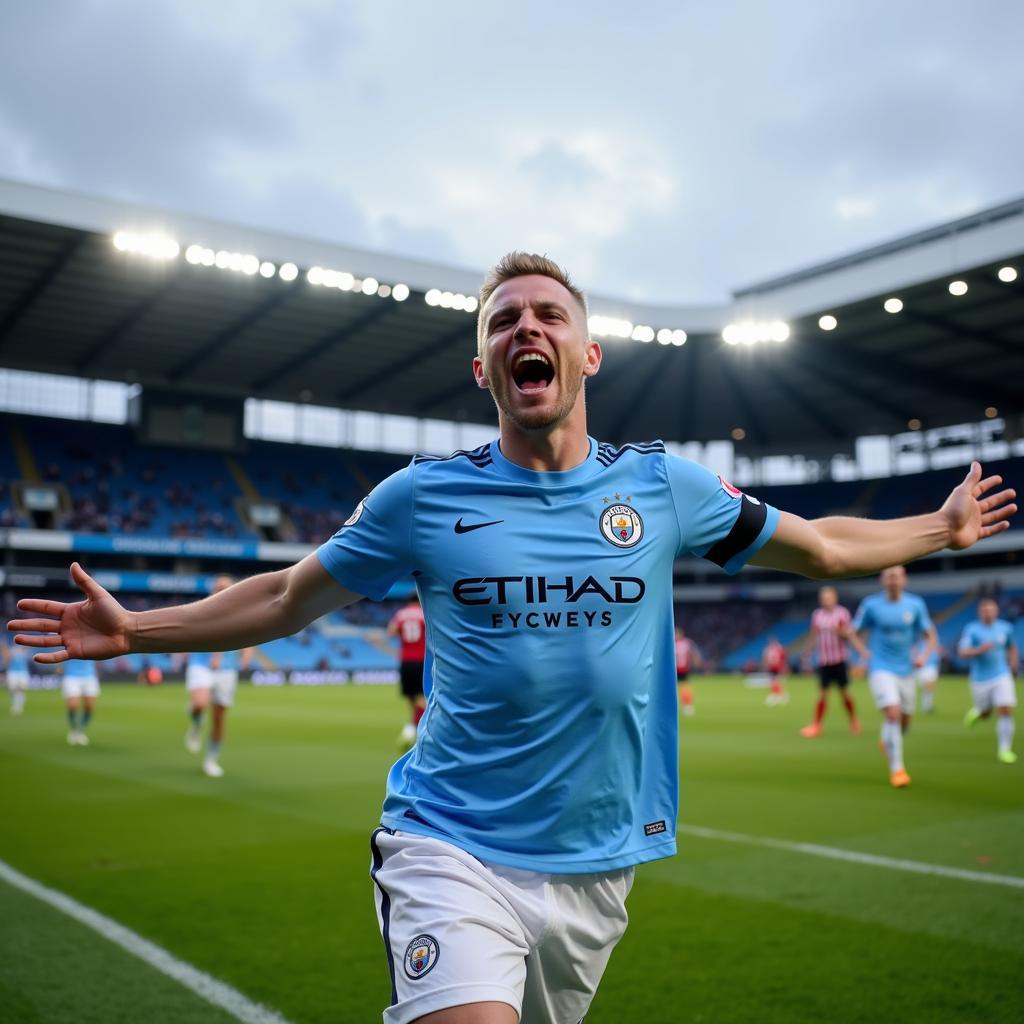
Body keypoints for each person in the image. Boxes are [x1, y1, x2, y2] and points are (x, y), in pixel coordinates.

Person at [9, 253, 1016, 1024]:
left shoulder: (663, 488)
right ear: (482, 363)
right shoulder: (421, 497)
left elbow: (822, 546)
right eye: (503, 321)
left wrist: (938, 529)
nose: (523, 327)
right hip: (450, 842)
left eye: (546, 315)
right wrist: (137, 625)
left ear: (586, 353)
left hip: (597, 864)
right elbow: (285, 597)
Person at [850, 566, 937, 788]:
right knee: (893, 715)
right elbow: (853, 631)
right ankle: (897, 769)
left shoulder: (915, 604)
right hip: (880, 667)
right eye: (889, 576)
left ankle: (887, 740)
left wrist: (924, 656)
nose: (893, 580)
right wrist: (863, 652)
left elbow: (930, 635)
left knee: (904, 722)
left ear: (904, 579)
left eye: (897, 576)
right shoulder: (871, 605)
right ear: (882, 580)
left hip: (906, 670)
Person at [184, 575, 254, 778]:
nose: (222, 589)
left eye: (226, 587)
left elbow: (249, 638)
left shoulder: (241, 615)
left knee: (219, 718)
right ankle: (196, 724)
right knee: (199, 704)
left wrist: (246, 657)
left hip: (227, 670)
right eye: (219, 587)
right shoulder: (203, 609)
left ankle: (211, 759)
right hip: (201, 665)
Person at [958, 597, 1018, 763]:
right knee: (986, 713)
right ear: (979, 613)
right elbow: (963, 652)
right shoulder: (972, 630)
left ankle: (1005, 750)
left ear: (996, 611)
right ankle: (978, 713)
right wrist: (979, 650)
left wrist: (1013, 662)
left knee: (1005, 709)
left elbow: (1011, 646)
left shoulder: (1005, 628)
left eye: (991, 610)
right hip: (980, 679)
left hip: (1001, 675)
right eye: (984, 610)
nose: (988, 613)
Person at [800, 586, 859, 737]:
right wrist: (807, 650)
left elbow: (848, 635)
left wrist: (838, 631)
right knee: (822, 694)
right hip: (824, 660)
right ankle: (817, 725)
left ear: (834, 598)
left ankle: (853, 721)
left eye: (827, 598)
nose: (825, 601)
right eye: (823, 598)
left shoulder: (842, 613)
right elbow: (814, 634)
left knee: (844, 693)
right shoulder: (817, 614)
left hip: (839, 659)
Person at [387, 594, 427, 750]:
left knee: (411, 697)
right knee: (422, 696)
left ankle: (412, 729)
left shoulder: (401, 614)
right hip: (422, 660)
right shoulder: (424, 613)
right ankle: (417, 728)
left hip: (406, 660)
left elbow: (391, 632)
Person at [62, 657, 100, 746]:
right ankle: (74, 730)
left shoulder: (93, 643)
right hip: (72, 676)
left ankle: (80, 731)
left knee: (89, 707)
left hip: (90, 676)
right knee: (72, 706)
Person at [674, 626, 702, 717]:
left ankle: (686, 705)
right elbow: (693, 653)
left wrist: (695, 661)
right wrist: (696, 661)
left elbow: (693, 654)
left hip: (679, 669)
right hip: (680, 669)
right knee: (681, 687)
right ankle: (685, 706)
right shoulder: (687, 643)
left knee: (682, 687)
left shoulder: (674, 643)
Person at [4, 635, 30, 715]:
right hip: (13, 672)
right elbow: (7, 660)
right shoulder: (12, 650)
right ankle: (16, 704)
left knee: (20, 689)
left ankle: (18, 707)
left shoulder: (24, 650)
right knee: (12, 689)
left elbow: (27, 647)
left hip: (22, 672)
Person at [916, 640, 942, 714]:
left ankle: (927, 706)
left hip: (932, 667)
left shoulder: (935, 643)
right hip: (925, 667)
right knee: (927, 688)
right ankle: (926, 706)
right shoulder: (921, 643)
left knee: (930, 688)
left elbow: (937, 655)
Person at [762, 636, 789, 705]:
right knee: (773, 681)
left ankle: (778, 695)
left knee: (775, 681)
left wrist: (784, 666)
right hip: (772, 667)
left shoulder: (778, 648)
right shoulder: (769, 649)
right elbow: (766, 658)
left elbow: (783, 657)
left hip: (777, 666)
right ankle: (778, 694)